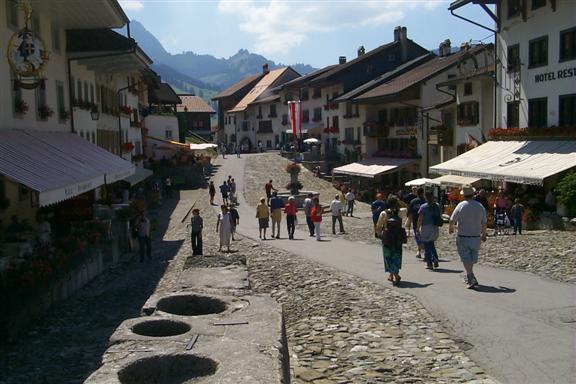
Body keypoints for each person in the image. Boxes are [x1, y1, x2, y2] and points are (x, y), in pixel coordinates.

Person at [449, 185, 488, 289]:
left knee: (465, 258)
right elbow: (484, 222)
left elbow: (452, 219)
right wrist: (484, 234)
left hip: (463, 235)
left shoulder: (461, 205)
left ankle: (470, 276)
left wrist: (451, 228)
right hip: (475, 236)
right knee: (472, 258)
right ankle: (470, 275)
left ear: (464, 195)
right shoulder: (480, 206)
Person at [376, 195, 404, 286]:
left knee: (388, 256)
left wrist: (379, 234)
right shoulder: (401, 212)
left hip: (387, 237)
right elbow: (406, 206)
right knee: (396, 255)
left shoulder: (384, 213)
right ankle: (391, 275)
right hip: (397, 237)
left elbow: (379, 226)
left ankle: (396, 275)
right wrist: (399, 201)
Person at [417, 191, 441, 270]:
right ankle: (435, 257)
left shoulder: (423, 207)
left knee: (427, 245)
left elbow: (420, 219)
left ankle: (429, 263)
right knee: (431, 243)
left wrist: (417, 228)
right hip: (434, 227)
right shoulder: (437, 206)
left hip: (426, 227)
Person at [408, 188, 427, 259]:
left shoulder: (413, 201)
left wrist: (408, 224)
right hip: (425, 222)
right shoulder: (425, 201)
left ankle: (419, 251)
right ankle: (424, 252)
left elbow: (410, 213)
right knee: (425, 237)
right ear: (423, 193)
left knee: (418, 236)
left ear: (417, 193)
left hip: (416, 221)